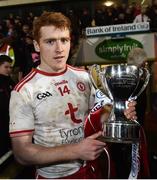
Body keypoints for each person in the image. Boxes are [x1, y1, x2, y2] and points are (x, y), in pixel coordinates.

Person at [9, 11, 137, 179]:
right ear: (37, 45)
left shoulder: (84, 76)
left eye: (64, 40)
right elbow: (21, 153)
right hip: (54, 176)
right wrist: (75, 151)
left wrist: (117, 113)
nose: (59, 48)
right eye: (50, 41)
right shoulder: (24, 90)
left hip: (92, 169)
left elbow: (96, 118)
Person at [127, 47, 148, 126]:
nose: (145, 64)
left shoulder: (141, 74)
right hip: (134, 111)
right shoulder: (134, 76)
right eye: (144, 62)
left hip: (138, 110)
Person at [0, 55, 15, 157]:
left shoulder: (10, 81)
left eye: (10, 67)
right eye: (6, 67)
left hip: (11, 119)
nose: (9, 69)